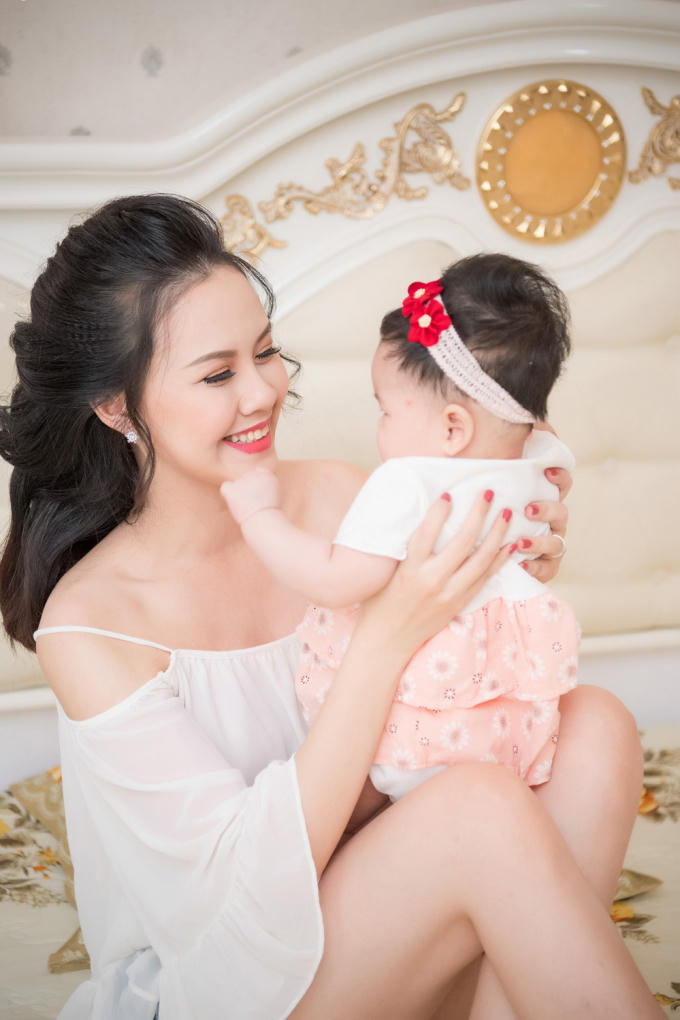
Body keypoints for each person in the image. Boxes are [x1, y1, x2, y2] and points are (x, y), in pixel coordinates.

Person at [0, 194, 661, 1020]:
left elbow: (442, 712)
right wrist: (386, 638)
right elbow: (236, 905)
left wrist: (504, 561)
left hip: (383, 923)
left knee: (596, 726)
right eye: (217, 374)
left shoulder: (344, 500)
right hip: (230, 972)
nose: (263, 392)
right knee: (478, 810)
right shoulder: (90, 625)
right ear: (116, 407)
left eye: (266, 352)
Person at [221, 256, 581, 803]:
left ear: (453, 428)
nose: (380, 427)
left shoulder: (407, 483)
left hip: (416, 734)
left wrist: (259, 517)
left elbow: (336, 580)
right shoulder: (541, 459)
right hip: (510, 727)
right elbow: (529, 421)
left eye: (386, 410)